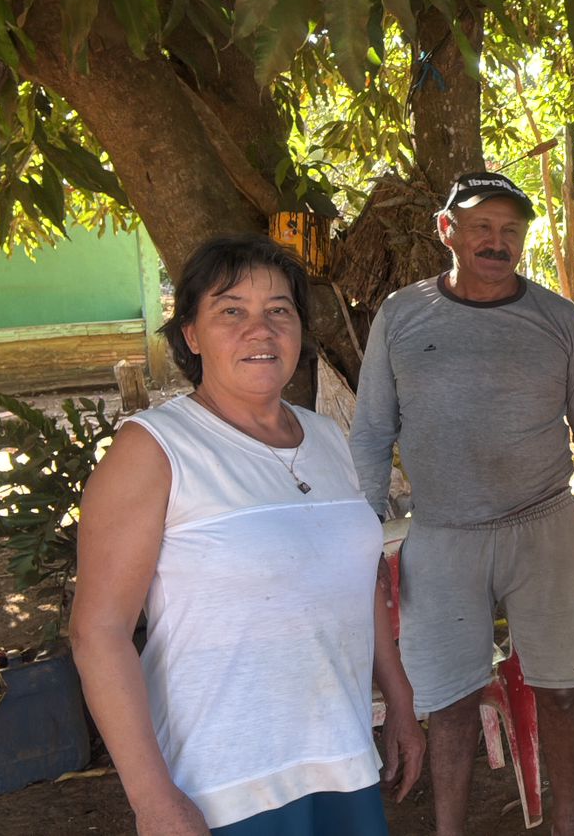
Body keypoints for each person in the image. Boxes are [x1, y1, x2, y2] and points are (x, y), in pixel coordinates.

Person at [71, 236, 423, 835]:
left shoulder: (327, 439)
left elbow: (357, 578)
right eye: (230, 311)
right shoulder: (155, 449)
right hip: (223, 784)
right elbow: (97, 632)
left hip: (340, 760)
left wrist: (399, 701)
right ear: (191, 334)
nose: (259, 330)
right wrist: (152, 799)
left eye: (278, 310)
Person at [350, 171, 574, 836]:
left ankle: (567, 818)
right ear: (449, 231)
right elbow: (372, 433)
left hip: (545, 526)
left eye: (510, 231)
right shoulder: (402, 315)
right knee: (447, 699)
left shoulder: (558, 319)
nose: (497, 243)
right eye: (482, 228)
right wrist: (362, 536)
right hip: (444, 534)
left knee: (561, 685)